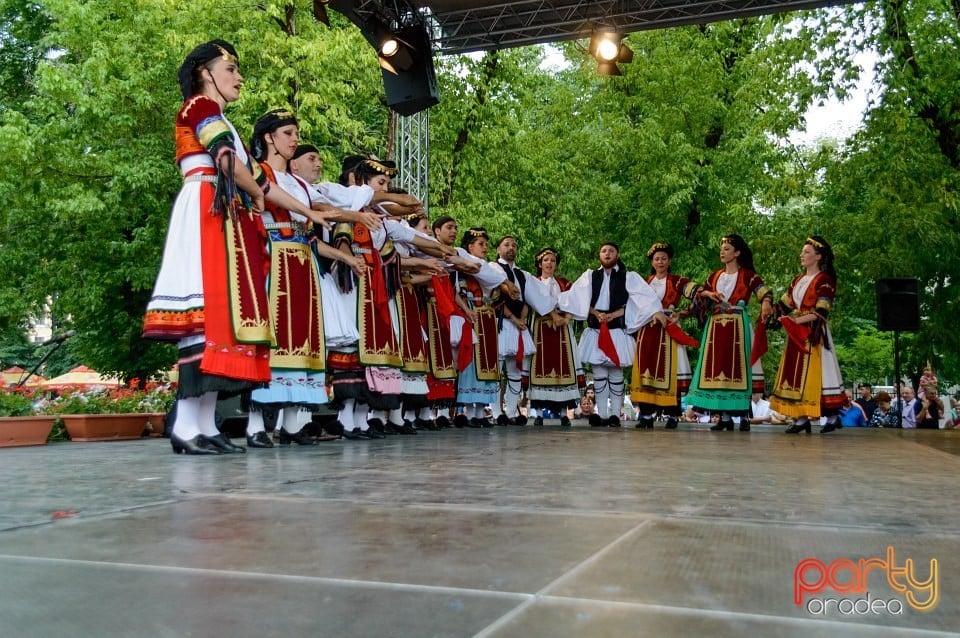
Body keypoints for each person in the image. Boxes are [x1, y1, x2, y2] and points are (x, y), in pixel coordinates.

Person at [143, 41, 330, 455]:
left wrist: (309, 213)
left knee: (222, 321)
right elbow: (227, 161)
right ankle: (187, 427)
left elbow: (260, 182)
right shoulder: (198, 108)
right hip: (207, 210)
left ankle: (205, 424)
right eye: (230, 68)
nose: (238, 77)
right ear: (205, 73)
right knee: (205, 316)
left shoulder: (220, 117)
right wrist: (256, 195)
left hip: (225, 216)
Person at [243, 109, 366, 448]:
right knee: (270, 340)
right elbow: (267, 203)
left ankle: (292, 423)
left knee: (301, 342)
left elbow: (315, 230)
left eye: (296, 133)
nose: (294, 139)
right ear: (269, 138)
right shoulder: (259, 171)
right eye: (288, 133)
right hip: (273, 259)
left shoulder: (299, 184)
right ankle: (255, 424)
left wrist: (344, 255)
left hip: (301, 263)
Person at [558, 242, 666, 427]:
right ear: (599, 255)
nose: (607, 254)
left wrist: (616, 314)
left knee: (616, 374)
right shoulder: (590, 276)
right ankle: (601, 414)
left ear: (618, 254)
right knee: (599, 374)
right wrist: (595, 313)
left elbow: (642, 298)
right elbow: (576, 298)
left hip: (616, 330)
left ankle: (615, 415)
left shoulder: (628, 277)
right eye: (603, 251)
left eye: (611, 251)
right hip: (596, 329)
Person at [687, 234, 774, 432]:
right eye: (721, 248)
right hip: (716, 327)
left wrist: (766, 302)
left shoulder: (748, 275)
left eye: (727, 248)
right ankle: (725, 417)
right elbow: (702, 301)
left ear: (737, 253)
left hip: (738, 326)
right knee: (719, 371)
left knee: (740, 369)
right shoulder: (714, 276)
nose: (722, 251)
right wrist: (704, 299)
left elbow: (763, 291)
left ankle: (743, 415)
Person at [768, 236, 845, 434]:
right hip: (796, 334)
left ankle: (832, 417)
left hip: (814, 334)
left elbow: (821, 312)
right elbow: (784, 305)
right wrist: (769, 309)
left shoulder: (824, 281)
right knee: (794, 375)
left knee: (819, 375)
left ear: (818, 257)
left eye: (807, 252)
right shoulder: (797, 280)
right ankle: (800, 418)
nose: (802, 255)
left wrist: (795, 320)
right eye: (802, 252)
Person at [629, 242, 701, 430]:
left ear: (669, 261)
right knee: (647, 370)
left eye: (664, 258)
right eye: (656, 259)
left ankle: (672, 415)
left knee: (671, 371)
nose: (660, 262)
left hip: (668, 328)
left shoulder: (677, 281)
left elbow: (696, 293)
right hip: (647, 329)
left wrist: (684, 313)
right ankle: (645, 414)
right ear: (652, 262)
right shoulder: (644, 283)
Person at [491, 236, 553, 425]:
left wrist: (523, 318)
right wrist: (513, 318)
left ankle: (510, 412)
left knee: (515, 370)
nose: (511, 248)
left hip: (518, 324)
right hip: (501, 320)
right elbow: (494, 296)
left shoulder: (522, 274)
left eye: (514, 245)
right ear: (498, 249)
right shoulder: (493, 268)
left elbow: (529, 299)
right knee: (497, 369)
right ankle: (496, 412)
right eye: (506, 245)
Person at [526, 248, 583, 428]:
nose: (549, 263)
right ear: (539, 264)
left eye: (553, 260)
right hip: (541, 329)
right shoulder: (533, 283)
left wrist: (566, 318)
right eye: (546, 260)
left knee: (562, 368)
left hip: (562, 331)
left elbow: (575, 302)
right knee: (540, 367)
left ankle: (562, 412)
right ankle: (539, 413)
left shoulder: (564, 283)